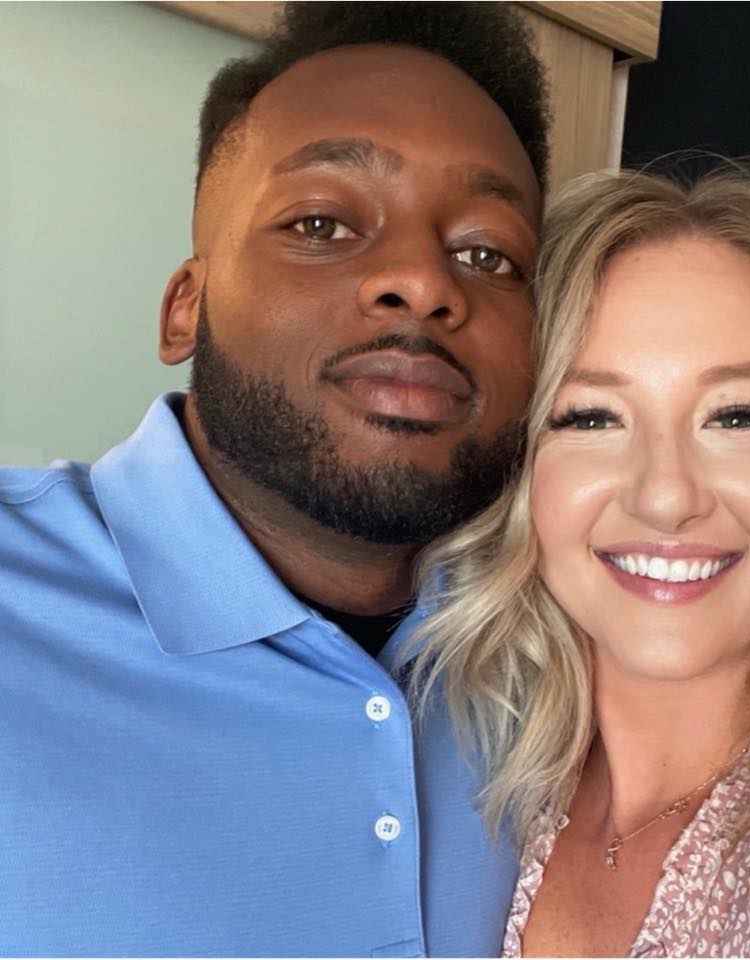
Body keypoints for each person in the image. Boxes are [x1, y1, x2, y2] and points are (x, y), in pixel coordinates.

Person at [0, 3, 548, 955]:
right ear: (186, 307)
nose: (423, 281)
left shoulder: (573, 649)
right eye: (322, 223)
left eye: (484, 254)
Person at [412, 165, 750, 958]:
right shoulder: (486, 776)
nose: (667, 497)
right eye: (590, 417)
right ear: (518, 467)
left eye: (737, 416)